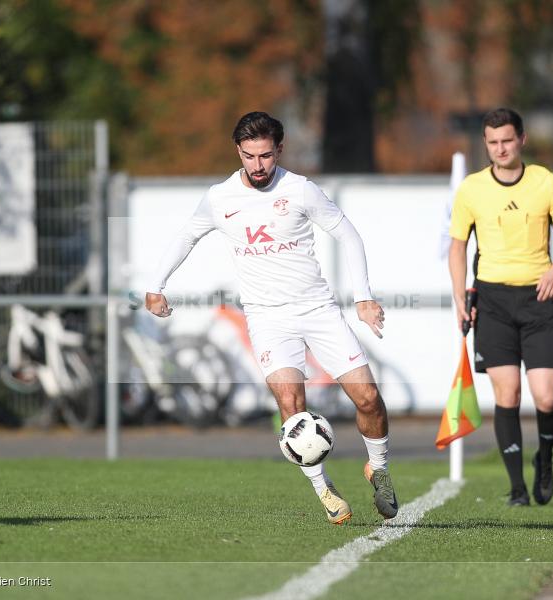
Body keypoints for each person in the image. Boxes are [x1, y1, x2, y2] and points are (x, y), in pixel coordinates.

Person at [144, 111, 398, 524]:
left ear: (279, 150)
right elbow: (187, 235)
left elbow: (348, 234)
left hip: (317, 309)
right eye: (249, 156)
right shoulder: (219, 197)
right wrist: (156, 285)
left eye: (265, 156)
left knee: (368, 398)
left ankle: (379, 467)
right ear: (238, 152)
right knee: (291, 405)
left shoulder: (301, 190)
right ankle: (322, 487)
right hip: (267, 318)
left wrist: (363, 298)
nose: (258, 165)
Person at [448, 108, 553, 506]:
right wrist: (459, 296)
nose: (500, 148)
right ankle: (518, 488)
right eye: (492, 142)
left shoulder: (546, 182)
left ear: (521, 139)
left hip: (538, 300)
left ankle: (545, 458)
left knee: (547, 397)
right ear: (485, 144)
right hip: (492, 301)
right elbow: (457, 247)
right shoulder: (472, 188)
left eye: (507, 140)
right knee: (507, 394)